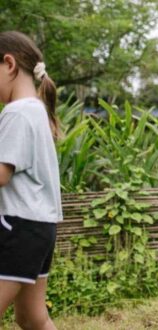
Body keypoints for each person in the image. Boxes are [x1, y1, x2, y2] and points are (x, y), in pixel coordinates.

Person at [0, 31, 63, 330]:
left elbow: (1, 174)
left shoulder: (16, 112)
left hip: (19, 227)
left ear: (9, 64)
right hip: (41, 228)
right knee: (32, 317)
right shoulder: (36, 110)